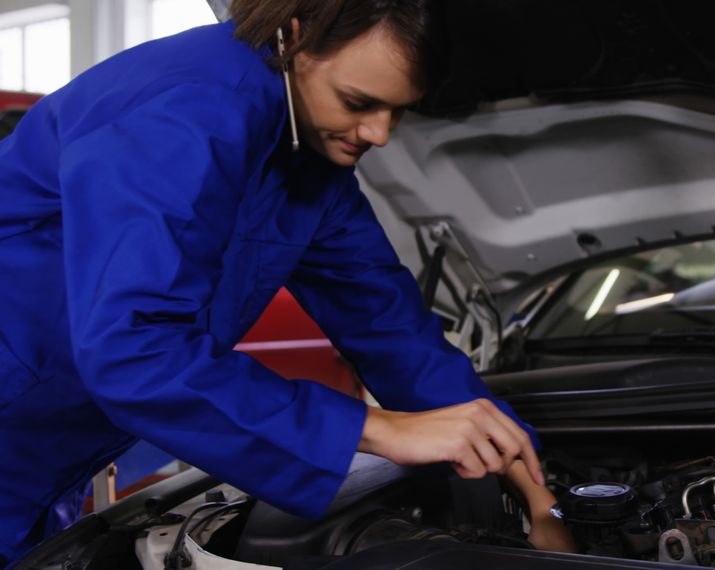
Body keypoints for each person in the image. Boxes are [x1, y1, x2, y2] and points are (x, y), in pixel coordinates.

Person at [0, 0, 573, 564]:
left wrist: (530, 489)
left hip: (44, 457)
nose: (379, 134)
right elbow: (135, 349)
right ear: (292, 39)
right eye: (360, 102)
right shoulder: (181, 107)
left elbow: (392, 332)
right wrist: (376, 430)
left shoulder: (308, 153)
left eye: (399, 112)